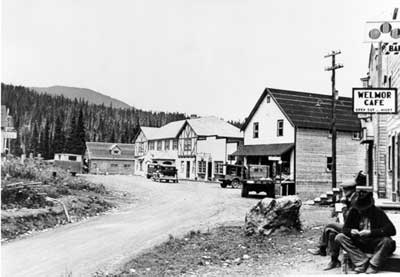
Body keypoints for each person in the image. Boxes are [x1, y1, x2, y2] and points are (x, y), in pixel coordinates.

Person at [335, 186, 396, 274]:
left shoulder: (378, 212)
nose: (361, 211)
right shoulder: (354, 211)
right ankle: (361, 262)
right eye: (359, 208)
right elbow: (345, 229)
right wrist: (351, 231)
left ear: (369, 207)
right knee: (339, 237)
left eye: (364, 209)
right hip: (359, 242)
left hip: (374, 243)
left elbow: (392, 230)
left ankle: (373, 265)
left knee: (387, 241)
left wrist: (370, 233)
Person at [307, 178, 358, 270]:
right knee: (332, 234)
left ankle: (321, 248)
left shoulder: (356, 201)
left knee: (329, 225)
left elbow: (349, 217)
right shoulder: (352, 198)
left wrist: (344, 207)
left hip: (355, 229)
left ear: (350, 190)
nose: (344, 192)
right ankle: (334, 261)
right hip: (350, 227)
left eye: (345, 190)